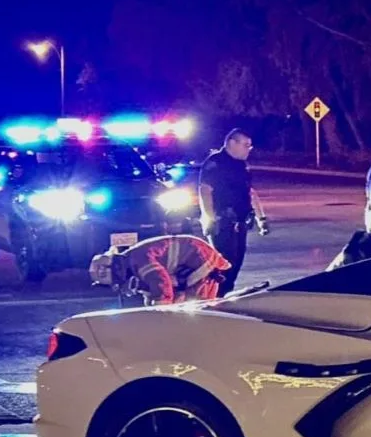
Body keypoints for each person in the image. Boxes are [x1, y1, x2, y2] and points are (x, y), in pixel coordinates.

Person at [198, 128, 269, 296]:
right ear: (232, 143)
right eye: (246, 145)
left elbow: (249, 191)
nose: (249, 149)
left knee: (236, 262)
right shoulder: (215, 163)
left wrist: (262, 218)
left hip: (241, 221)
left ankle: (225, 293)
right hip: (222, 222)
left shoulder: (242, 165)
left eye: (250, 146)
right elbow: (205, 191)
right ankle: (214, 296)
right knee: (224, 263)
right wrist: (209, 219)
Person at [89, 234, 231, 305]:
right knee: (180, 302)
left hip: (199, 259)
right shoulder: (133, 264)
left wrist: (159, 308)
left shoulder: (139, 260)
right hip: (191, 263)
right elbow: (150, 289)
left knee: (197, 304)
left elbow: (160, 281)